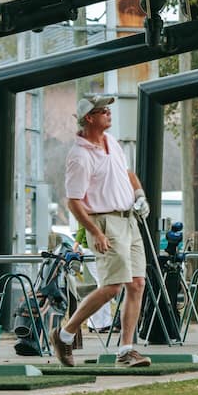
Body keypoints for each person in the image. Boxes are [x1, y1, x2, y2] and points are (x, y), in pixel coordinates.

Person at [51, 95, 151, 368]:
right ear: (89, 118)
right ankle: (65, 334)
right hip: (105, 221)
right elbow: (73, 201)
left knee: (137, 283)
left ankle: (126, 350)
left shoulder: (113, 143)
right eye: (102, 110)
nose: (109, 112)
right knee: (111, 287)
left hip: (129, 218)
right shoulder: (80, 156)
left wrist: (140, 194)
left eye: (108, 109)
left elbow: (128, 174)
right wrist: (95, 232)